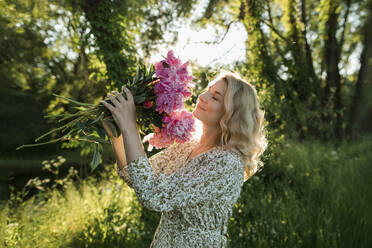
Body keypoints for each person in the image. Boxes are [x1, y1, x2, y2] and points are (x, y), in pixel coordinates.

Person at [100, 71, 268, 247]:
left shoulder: (227, 163)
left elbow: (153, 196)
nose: (202, 96)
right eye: (207, 90)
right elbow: (136, 177)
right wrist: (117, 134)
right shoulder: (186, 146)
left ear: (232, 114)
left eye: (215, 98)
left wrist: (129, 127)